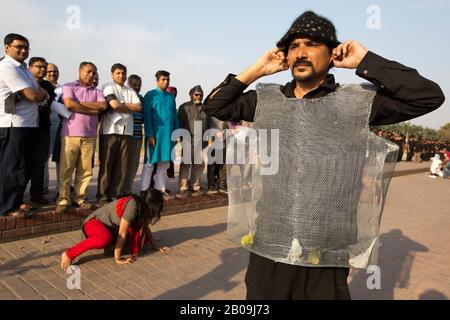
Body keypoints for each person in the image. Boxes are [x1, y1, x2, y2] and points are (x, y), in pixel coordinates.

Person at [204, 11, 445, 299]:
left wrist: (366, 60)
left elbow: (428, 96)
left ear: (332, 54)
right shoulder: (266, 101)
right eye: (293, 46)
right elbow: (214, 106)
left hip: (325, 253)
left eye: (311, 44)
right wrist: (257, 69)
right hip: (270, 244)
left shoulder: (356, 102)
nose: (301, 53)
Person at [60, 188, 171, 271]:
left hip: (110, 228)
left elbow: (144, 226)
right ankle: (69, 253)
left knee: (138, 245)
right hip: (94, 223)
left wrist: (155, 245)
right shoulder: (133, 206)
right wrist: (118, 258)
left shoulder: (142, 205)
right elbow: (122, 233)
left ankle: (111, 246)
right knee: (104, 239)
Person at [0, 33, 48, 217]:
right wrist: (36, 93)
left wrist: (37, 93)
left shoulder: (24, 70)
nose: (23, 50)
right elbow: (33, 95)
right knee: (10, 167)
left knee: (24, 167)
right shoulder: (6, 67)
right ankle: (7, 207)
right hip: (12, 124)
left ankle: (17, 201)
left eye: (26, 48)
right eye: (18, 46)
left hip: (29, 124)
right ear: (7, 47)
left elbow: (39, 91)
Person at [55, 62, 107, 213]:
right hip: (70, 134)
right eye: (88, 71)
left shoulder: (97, 91)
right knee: (66, 169)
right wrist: (92, 108)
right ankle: (63, 199)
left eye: (94, 72)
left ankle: (80, 198)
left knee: (85, 170)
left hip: (90, 135)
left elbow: (103, 107)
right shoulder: (69, 86)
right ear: (80, 71)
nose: (91, 75)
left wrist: (80, 105)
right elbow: (70, 105)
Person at [97, 64, 141, 206]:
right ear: (112, 74)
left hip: (127, 132)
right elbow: (114, 105)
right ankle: (102, 196)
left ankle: (115, 194)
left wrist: (120, 104)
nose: (121, 76)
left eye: (123, 73)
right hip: (110, 131)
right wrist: (127, 106)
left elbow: (138, 107)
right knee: (107, 164)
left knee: (122, 165)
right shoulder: (107, 87)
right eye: (118, 73)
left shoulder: (130, 91)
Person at [141, 70, 179, 199]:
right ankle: (144, 191)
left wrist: (177, 133)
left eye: (167, 79)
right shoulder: (150, 95)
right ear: (157, 81)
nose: (166, 81)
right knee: (150, 163)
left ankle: (159, 190)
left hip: (168, 135)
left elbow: (174, 116)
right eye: (163, 79)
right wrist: (150, 134)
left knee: (164, 163)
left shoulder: (170, 97)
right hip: (155, 135)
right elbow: (147, 116)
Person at [27, 57, 56, 205]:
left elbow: (46, 103)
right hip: (24, 127)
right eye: (39, 67)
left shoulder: (47, 86)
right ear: (30, 67)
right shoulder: (24, 81)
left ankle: (36, 194)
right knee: (21, 162)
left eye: (44, 67)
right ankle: (16, 196)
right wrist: (36, 98)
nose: (43, 70)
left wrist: (36, 99)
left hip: (43, 127)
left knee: (40, 162)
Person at [177, 85, 211, 197]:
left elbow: (209, 124)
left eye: (201, 95)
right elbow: (179, 124)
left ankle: (195, 186)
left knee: (199, 164)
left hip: (201, 141)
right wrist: (179, 139)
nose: (199, 97)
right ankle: (183, 187)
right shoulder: (184, 107)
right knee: (185, 164)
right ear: (191, 94)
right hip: (187, 139)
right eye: (196, 94)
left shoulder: (205, 108)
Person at [123, 74, 145, 195]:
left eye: (139, 85)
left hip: (137, 136)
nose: (137, 88)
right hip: (125, 136)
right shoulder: (124, 96)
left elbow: (143, 117)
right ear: (129, 84)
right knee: (122, 164)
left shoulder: (141, 99)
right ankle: (118, 190)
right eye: (134, 85)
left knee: (133, 165)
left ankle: (127, 189)